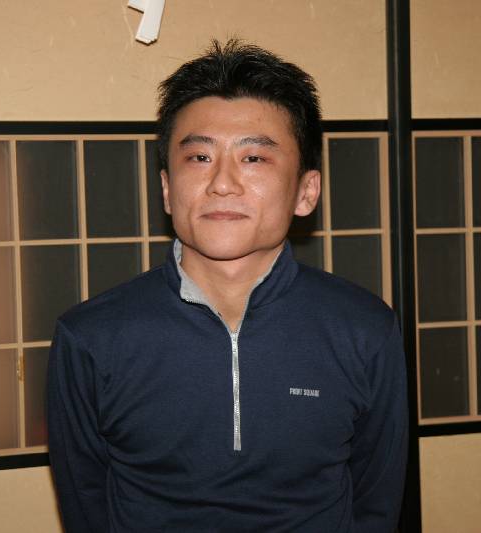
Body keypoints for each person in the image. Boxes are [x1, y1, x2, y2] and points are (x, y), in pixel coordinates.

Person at [47, 39, 408, 532]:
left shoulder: (365, 329)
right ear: (167, 189)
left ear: (306, 192)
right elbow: (86, 505)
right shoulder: (91, 337)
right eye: (199, 157)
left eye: (254, 158)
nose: (222, 183)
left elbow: (377, 504)